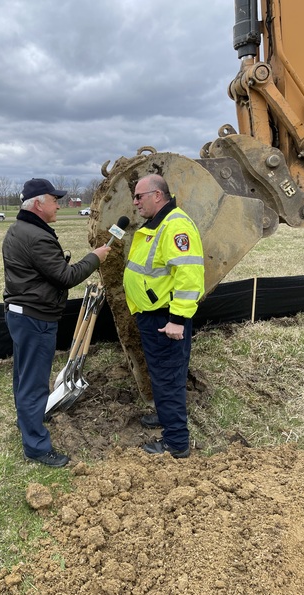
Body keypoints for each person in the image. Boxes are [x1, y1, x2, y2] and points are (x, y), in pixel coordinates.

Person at [2, 178, 111, 468]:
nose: (59, 205)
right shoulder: (36, 237)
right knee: (35, 384)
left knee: (24, 376)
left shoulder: (20, 229)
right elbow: (65, 276)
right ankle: (36, 446)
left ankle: (27, 421)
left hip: (21, 314)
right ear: (38, 204)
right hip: (35, 318)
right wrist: (95, 257)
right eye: (54, 200)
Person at [123, 174, 205, 458]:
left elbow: (190, 276)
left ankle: (176, 443)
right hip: (152, 316)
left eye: (139, 196)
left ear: (157, 195)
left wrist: (177, 320)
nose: (135, 203)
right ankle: (166, 415)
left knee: (168, 377)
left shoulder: (175, 226)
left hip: (165, 320)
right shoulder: (158, 223)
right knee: (162, 374)